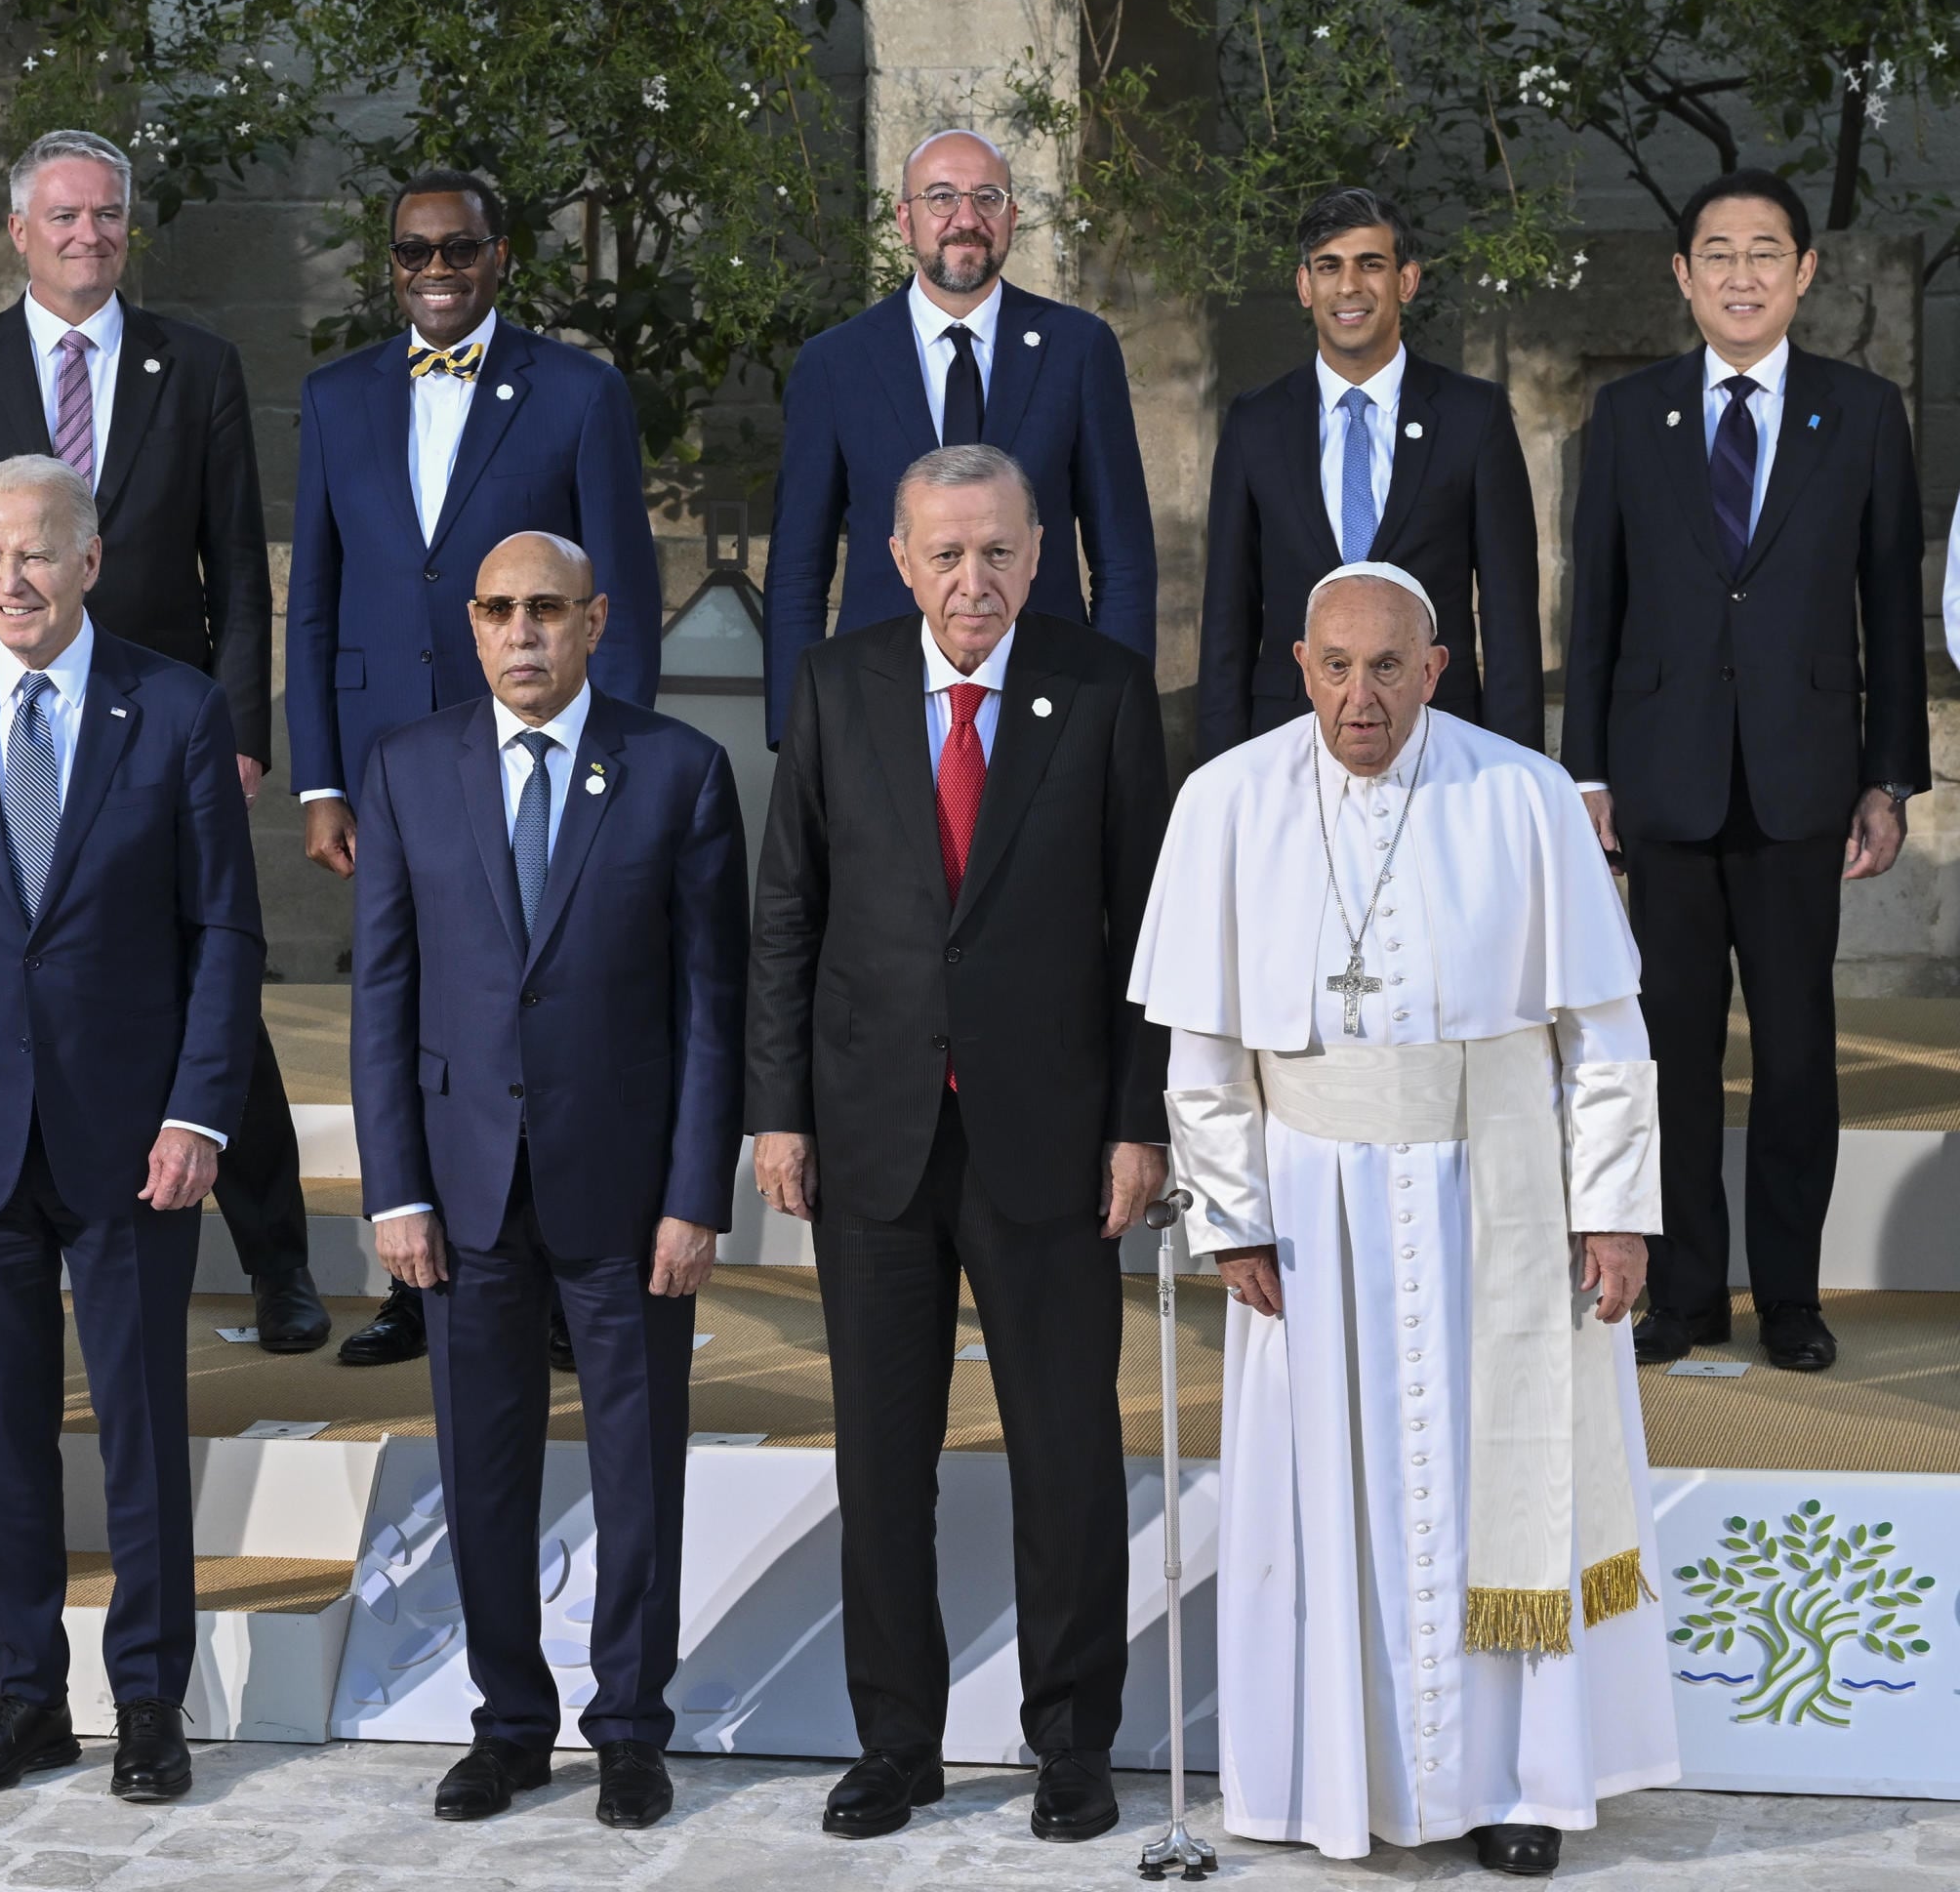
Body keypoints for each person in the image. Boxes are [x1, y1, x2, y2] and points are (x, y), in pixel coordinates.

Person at [1131, 562, 1677, 1873]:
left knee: (1508, 1486)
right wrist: (1234, 1218)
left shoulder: (1523, 793)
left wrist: (1613, 1212)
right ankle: (1334, 1785)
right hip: (1312, 1212)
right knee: (1330, 1498)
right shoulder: (1228, 803)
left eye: (1387, 668)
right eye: (1333, 666)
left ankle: (1522, 1786)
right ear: (1299, 667)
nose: (1357, 697)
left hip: (1498, 1193)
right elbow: (1204, 1052)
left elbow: (1603, 1033)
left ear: (1436, 670)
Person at [748, 444, 1168, 1845]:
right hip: (872, 1133)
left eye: (998, 552)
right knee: (883, 1460)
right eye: (945, 553)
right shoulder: (834, 685)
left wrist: (1135, 1120)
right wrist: (781, 1106)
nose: (972, 580)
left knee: (1065, 1455)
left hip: (1050, 1139)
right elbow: (789, 914)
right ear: (900, 558)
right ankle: (896, 1745)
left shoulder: (1102, 691)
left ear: (1039, 557)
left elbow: (1144, 940)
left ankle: (1073, 1746)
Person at [0, 453, 263, 1806]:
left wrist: (202, 1109)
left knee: (140, 1425)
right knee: (0, 1428)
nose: (7, 580)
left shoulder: (179, 709)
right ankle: (26, 1693)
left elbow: (223, 935)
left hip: (134, 1135)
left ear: (89, 558)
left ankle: (148, 1702)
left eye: (33, 553)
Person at [0, 127, 326, 1356]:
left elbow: (236, 562)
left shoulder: (199, 367)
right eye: (63, 218)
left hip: (160, 741)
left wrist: (238, 727)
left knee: (202, 987)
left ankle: (278, 1252)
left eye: (107, 217)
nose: (88, 236)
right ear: (18, 232)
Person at [349, 532, 748, 1830]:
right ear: (473, 625)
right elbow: (384, 1001)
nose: (524, 633)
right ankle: (509, 1724)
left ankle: (631, 1726)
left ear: (595, 622)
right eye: (501, 611)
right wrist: (394, 1191)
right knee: (483, 1470)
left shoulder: (677, 772)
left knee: (639, 1468)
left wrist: (697, 1196)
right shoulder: (411, 771)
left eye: (548, 611)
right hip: (463, 1198)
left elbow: (709, 1007)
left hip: (628, 1197)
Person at [287, 164, 663, 1368]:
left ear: (501, 258)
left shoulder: (579, 393)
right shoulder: (337, 397)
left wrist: (627, 765)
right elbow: (319, 600)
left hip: (546, 753)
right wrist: (321, 777)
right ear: (388, 263)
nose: (436, 274)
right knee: (412, 1002)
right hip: (395, 763)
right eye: (414, 253)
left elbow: (630, 595)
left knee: (543, 996)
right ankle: (419, 1271)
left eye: (458, 252)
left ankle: (557, 1271)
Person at [1564, 168, 1928, 1373]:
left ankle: (1788, 1295)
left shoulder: (1863, 411)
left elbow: (1887, 601)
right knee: (1666, 1048)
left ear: (1804, 272)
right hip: (1662, 785)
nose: (1741, 274)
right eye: (1716, 253)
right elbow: (1597, 606)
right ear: (1682, 275)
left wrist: (1888, 777)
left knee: (1796, 1050)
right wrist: (1589, 776)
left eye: (1765, 251)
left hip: (1801, 785)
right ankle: (1683, 1291)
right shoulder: (1627, 418)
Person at [762, 128, 1157, 747]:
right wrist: (795, 731)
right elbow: (796, 569)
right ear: (904, 219)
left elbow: (1123, 559)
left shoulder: (1078, 350)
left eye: (988, 198)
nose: (966, 219)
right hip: (874, 704)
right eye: (941, 197)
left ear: (1012, 217)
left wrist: (1119, 717)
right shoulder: (834, 363)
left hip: (1051, 697)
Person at [1197, 187, 1544, 759]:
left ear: (1406, 281)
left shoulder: (1472, 416)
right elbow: (1228, 621)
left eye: (1371, 264)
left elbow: (1510, 620)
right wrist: (1216, 770)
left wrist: (1517, 771)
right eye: (1329, 267)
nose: (1349, 286)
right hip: (1288, 740)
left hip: (1440, 737)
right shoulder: (1254, 422)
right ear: (1305, 285)